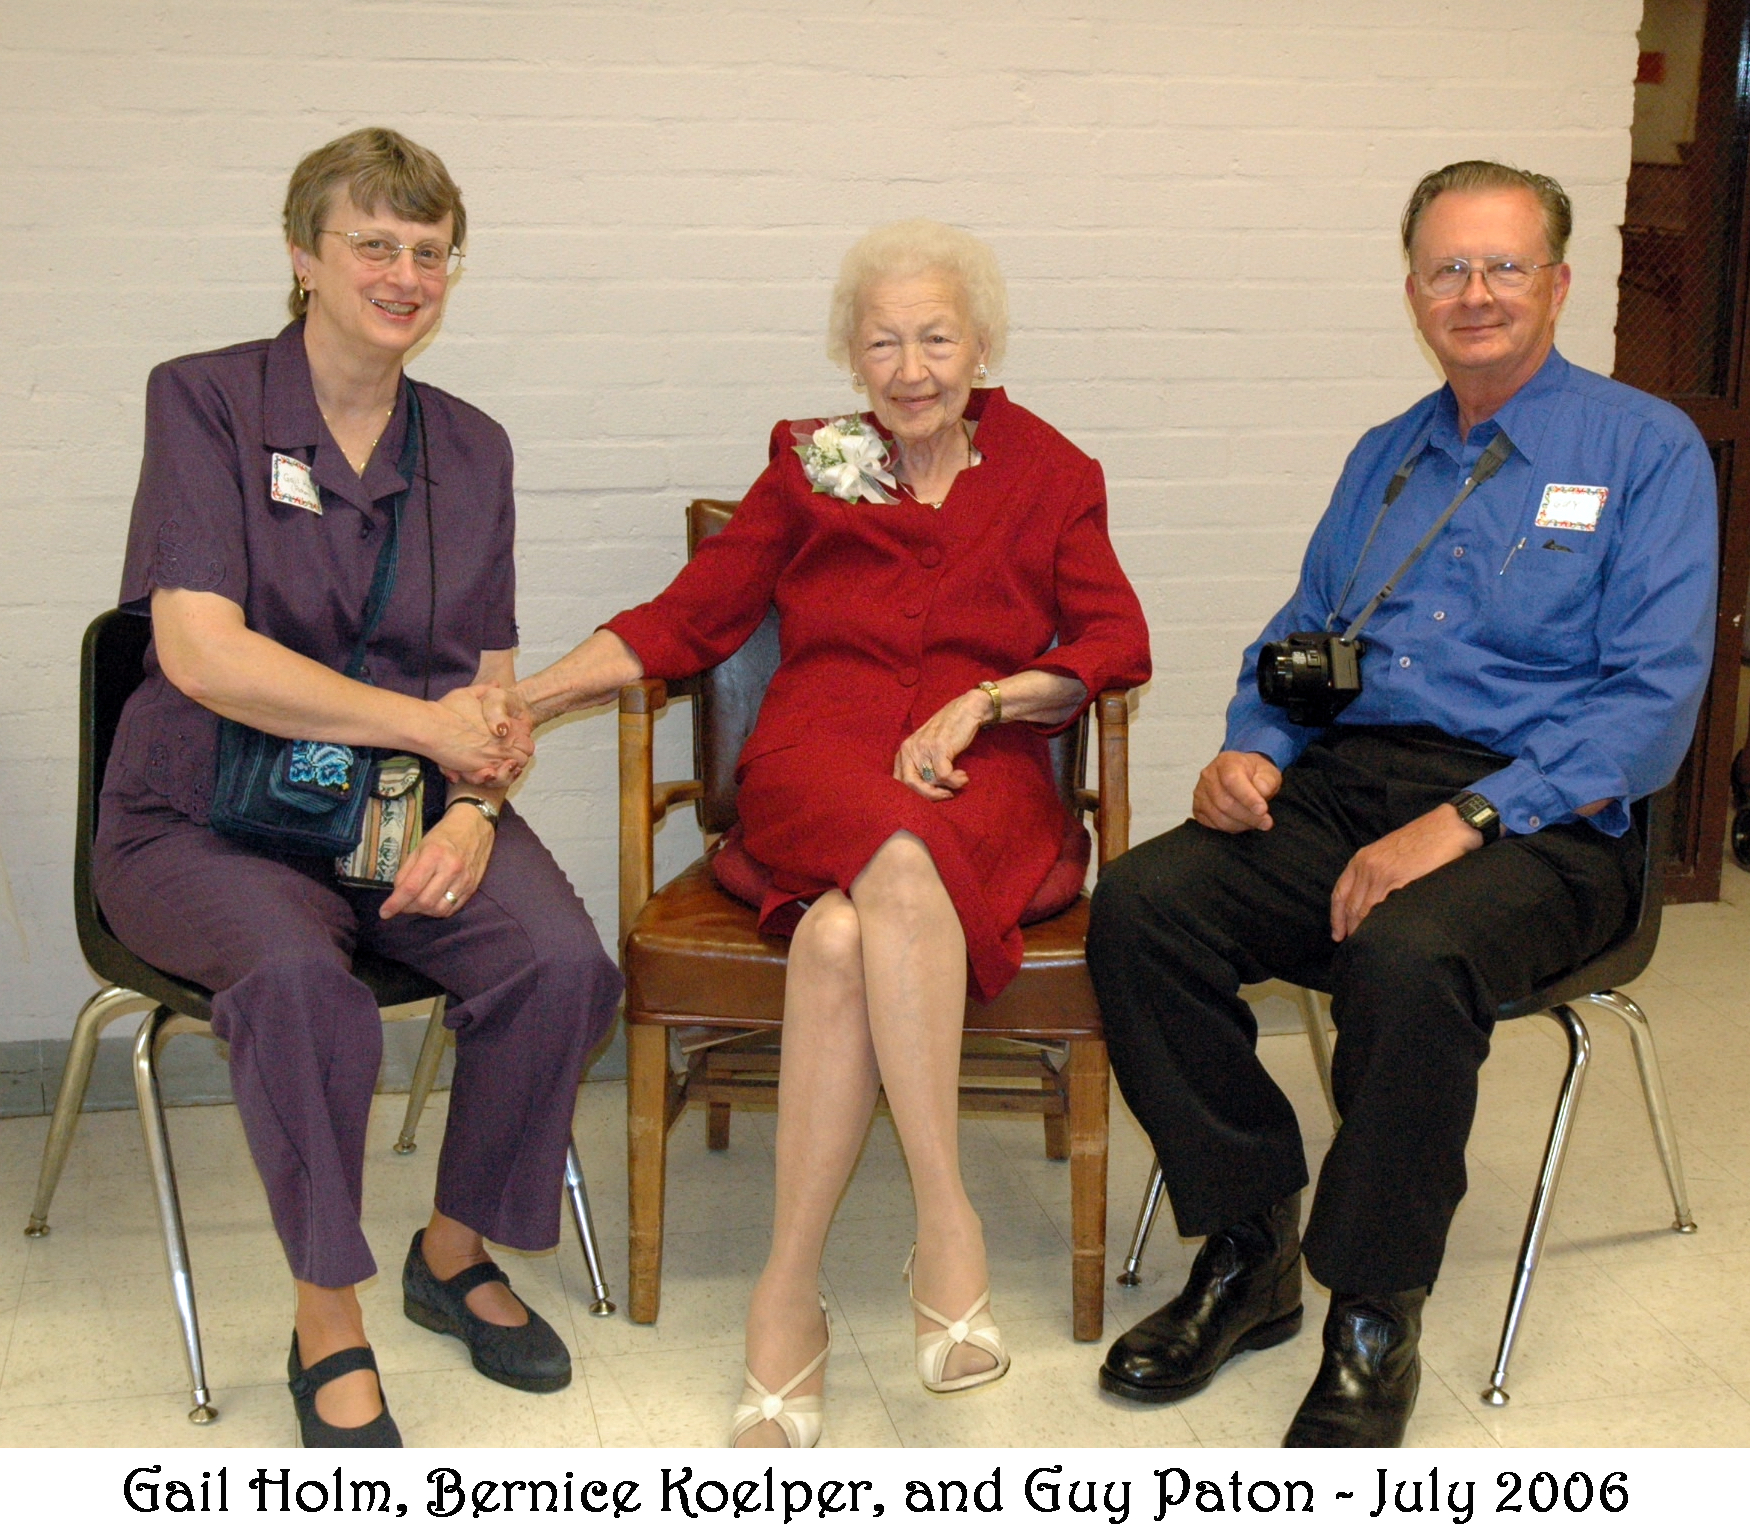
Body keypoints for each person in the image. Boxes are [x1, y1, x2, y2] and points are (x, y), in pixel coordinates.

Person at [1087, 161, 1717, 1449]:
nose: (1473, 294)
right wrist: (1252, 745)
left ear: (1556, 281)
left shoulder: (1644, 451)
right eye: (1447, 269)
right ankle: (1248, 1244)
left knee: (1406, 951)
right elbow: (1306, 639)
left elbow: (1651, 705)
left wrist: (1464, 823)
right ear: (1414, 290)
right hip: (1351, 782)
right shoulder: (1388, 456)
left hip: (1543, 819)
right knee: (1146, 906)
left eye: (1501, 266)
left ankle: (1372, 1305)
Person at [516, 218, 1151, 1447]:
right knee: (894, 856)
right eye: (881, 344)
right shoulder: (812, 464)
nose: (910, 369)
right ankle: (945, 1223)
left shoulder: (1052, 473)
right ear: (848, 356)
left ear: (980, 346)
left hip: (988, 781)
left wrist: (986, 699)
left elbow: (1111, 644)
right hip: (819, 766)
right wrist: (528, 697)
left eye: (934, 339)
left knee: (837, 940)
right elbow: (687, 619)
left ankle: (783, 1300)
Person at [93, 128, 622, 1448]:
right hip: (202, 821)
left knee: (559, 963)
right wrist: (427, 732)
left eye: (428, 251)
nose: (402, 273)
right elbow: (199, 650)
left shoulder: (474, 449)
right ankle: (326, 1314)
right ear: (302, 257)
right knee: (301, 991)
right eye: (372, 245)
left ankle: (453, 1253)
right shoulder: (206, 402)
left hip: (396, 812)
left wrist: (474, 803)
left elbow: (489, 683)